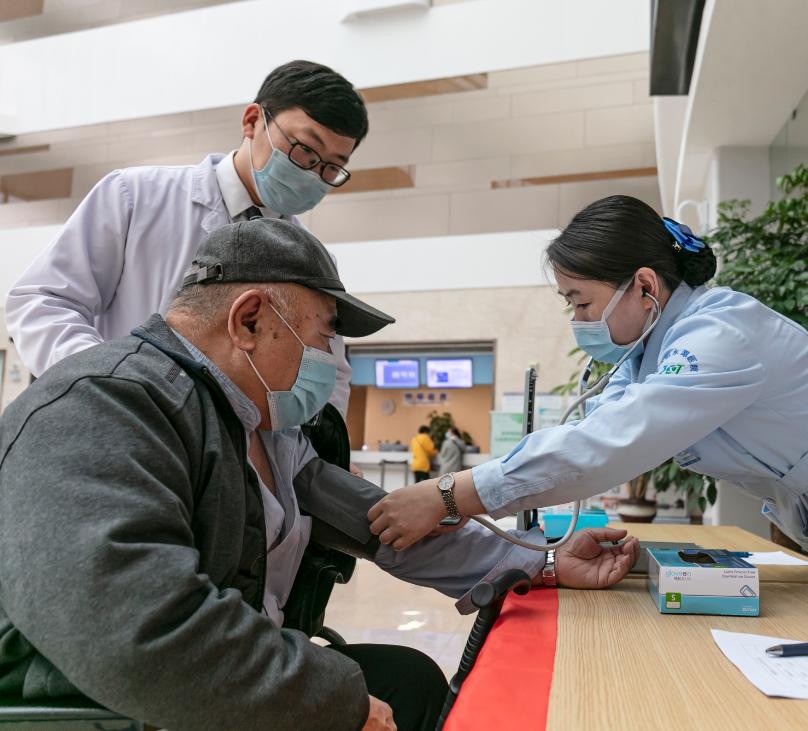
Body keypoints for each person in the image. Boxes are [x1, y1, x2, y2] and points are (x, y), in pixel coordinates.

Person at [0, 219, 639, 731]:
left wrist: (542, 563)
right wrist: (331, 701)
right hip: (124, 701)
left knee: (410, 681)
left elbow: (388, 527)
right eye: (325, 336)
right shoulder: (104, 407)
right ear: (249, 320)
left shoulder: (269, 432)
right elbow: (137, 632)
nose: (332, 362)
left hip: (221, 671)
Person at [367, 195, 808, 554]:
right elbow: (593, 429)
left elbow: (606, 445)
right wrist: (457, 497)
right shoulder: (644, 355)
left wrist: (448, 494)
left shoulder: (720, 334)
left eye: (581, 303)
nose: (578, 320)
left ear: (645, 286)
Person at [4, 59, 381, 426]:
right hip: (121, 429)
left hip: (237, 455)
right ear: (252, 121)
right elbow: (42, 301)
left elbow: (329, 371)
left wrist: (313, 451)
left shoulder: (314, 258)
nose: (313, 174)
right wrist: (115, 384)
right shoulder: (136, 197)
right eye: (304, 151)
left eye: (331, 168)